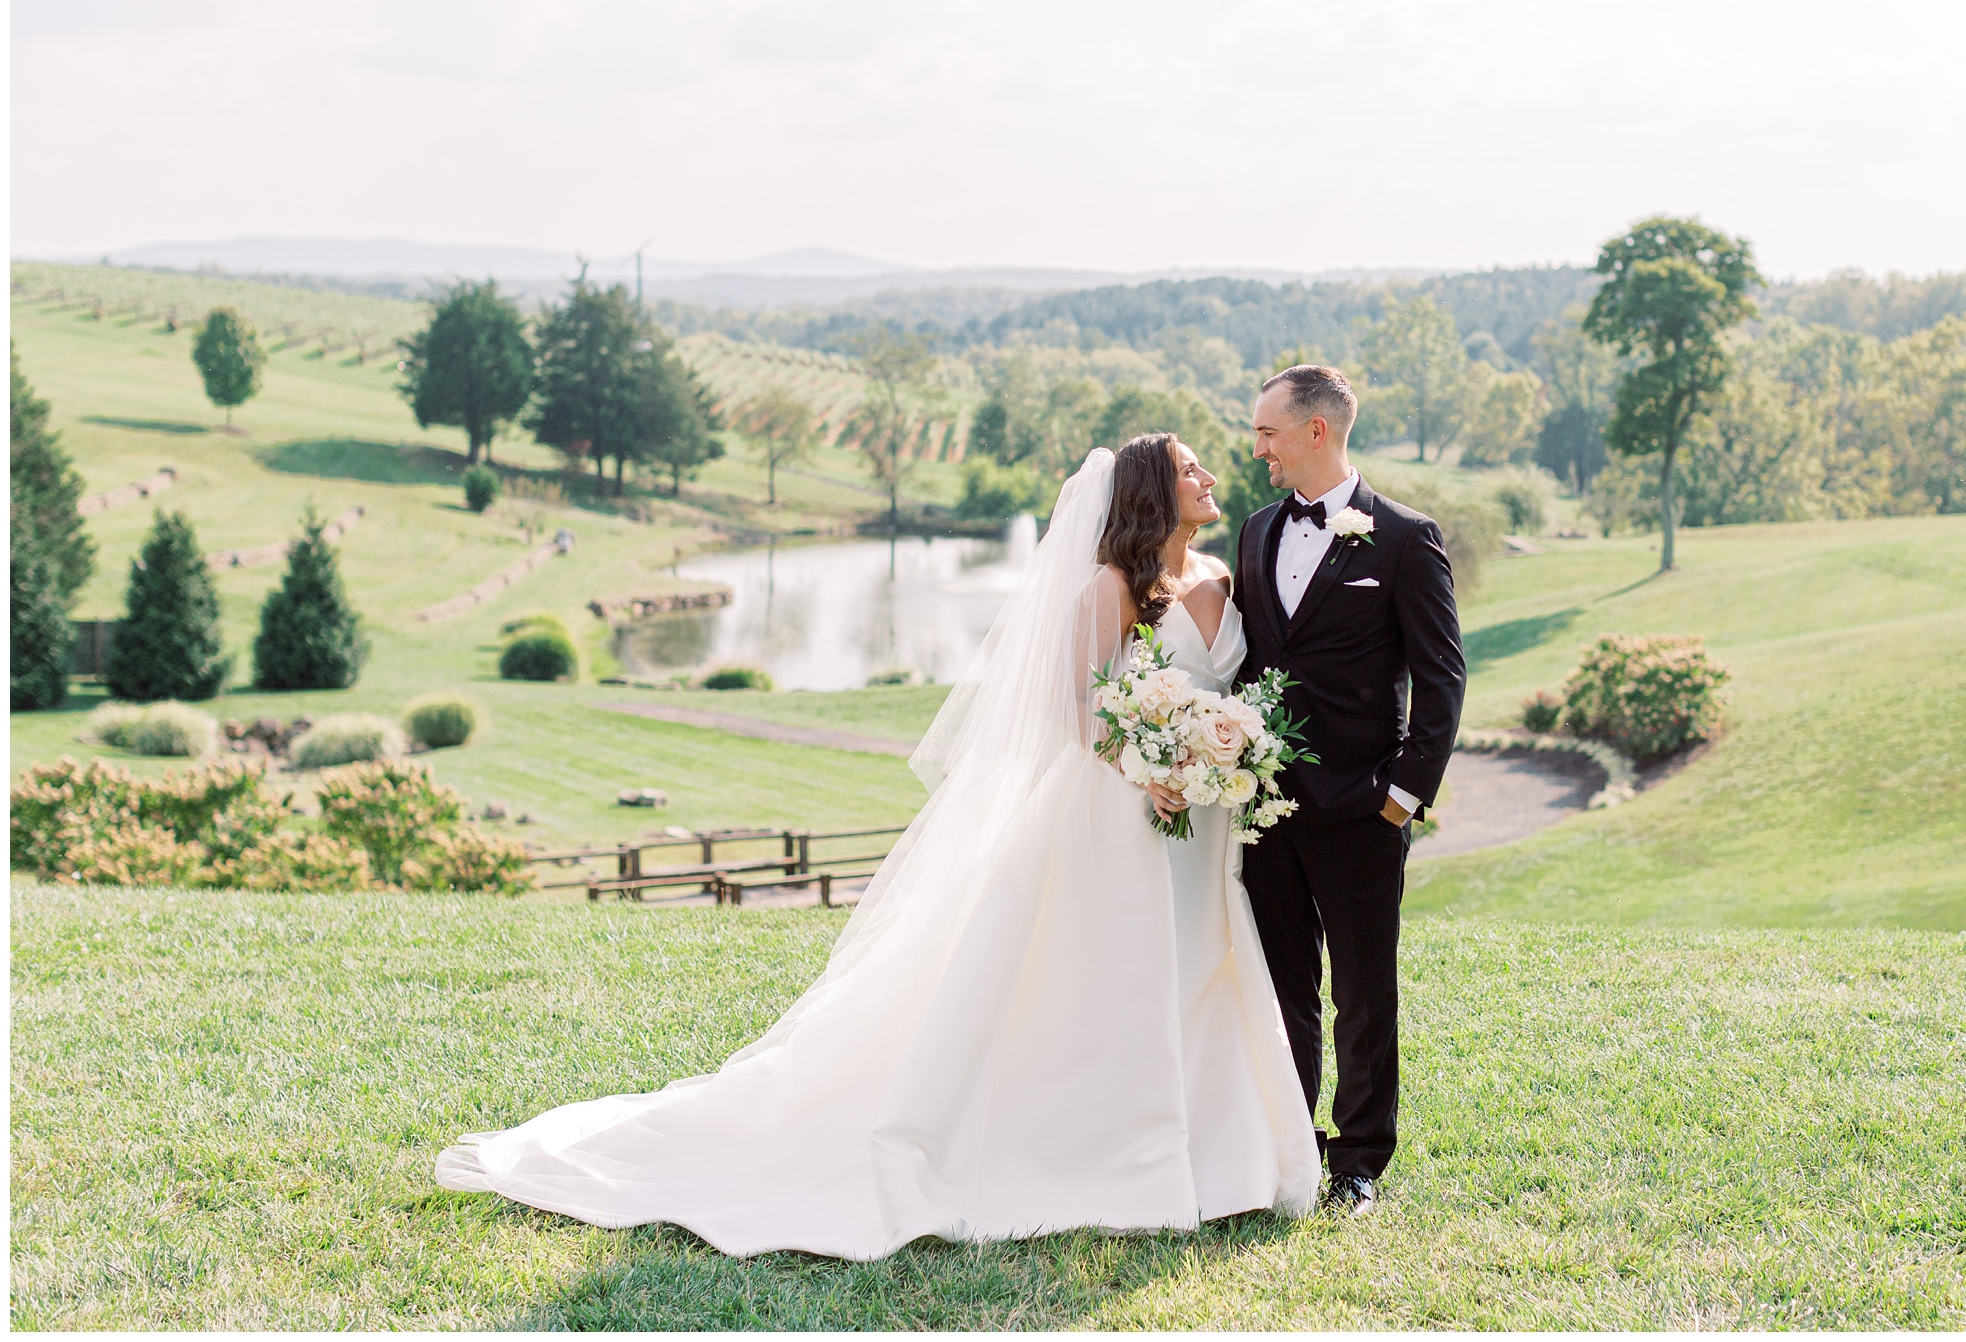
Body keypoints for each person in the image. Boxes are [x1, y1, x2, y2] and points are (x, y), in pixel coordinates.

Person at [435, 435, 1318, 1259]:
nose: (1208, 477)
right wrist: (1146, 764)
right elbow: (1074, 711)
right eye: (1190, 469)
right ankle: (1103, 1150)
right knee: (1106, 978)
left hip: (1201, 820)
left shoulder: (1221, 575)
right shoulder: (1107, 588)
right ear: (1151, 494)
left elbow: (1223, 686)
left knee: (1198, 966)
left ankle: (1215, 1155)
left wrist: (1215, 750)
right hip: (1115, 814)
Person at [1230, 363, 1465, 1215]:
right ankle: (1293, 1147)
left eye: (1267, 433)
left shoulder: (1406, 537)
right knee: (1282, 984)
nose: (1257, 449)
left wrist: (1403, 797)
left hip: (1363, 809)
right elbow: (1251, 662)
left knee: (1363, 991)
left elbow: (1443, 680)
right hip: (1265, 809)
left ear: (1316, 431)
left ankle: (1360, 1162)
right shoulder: (1255, 531)